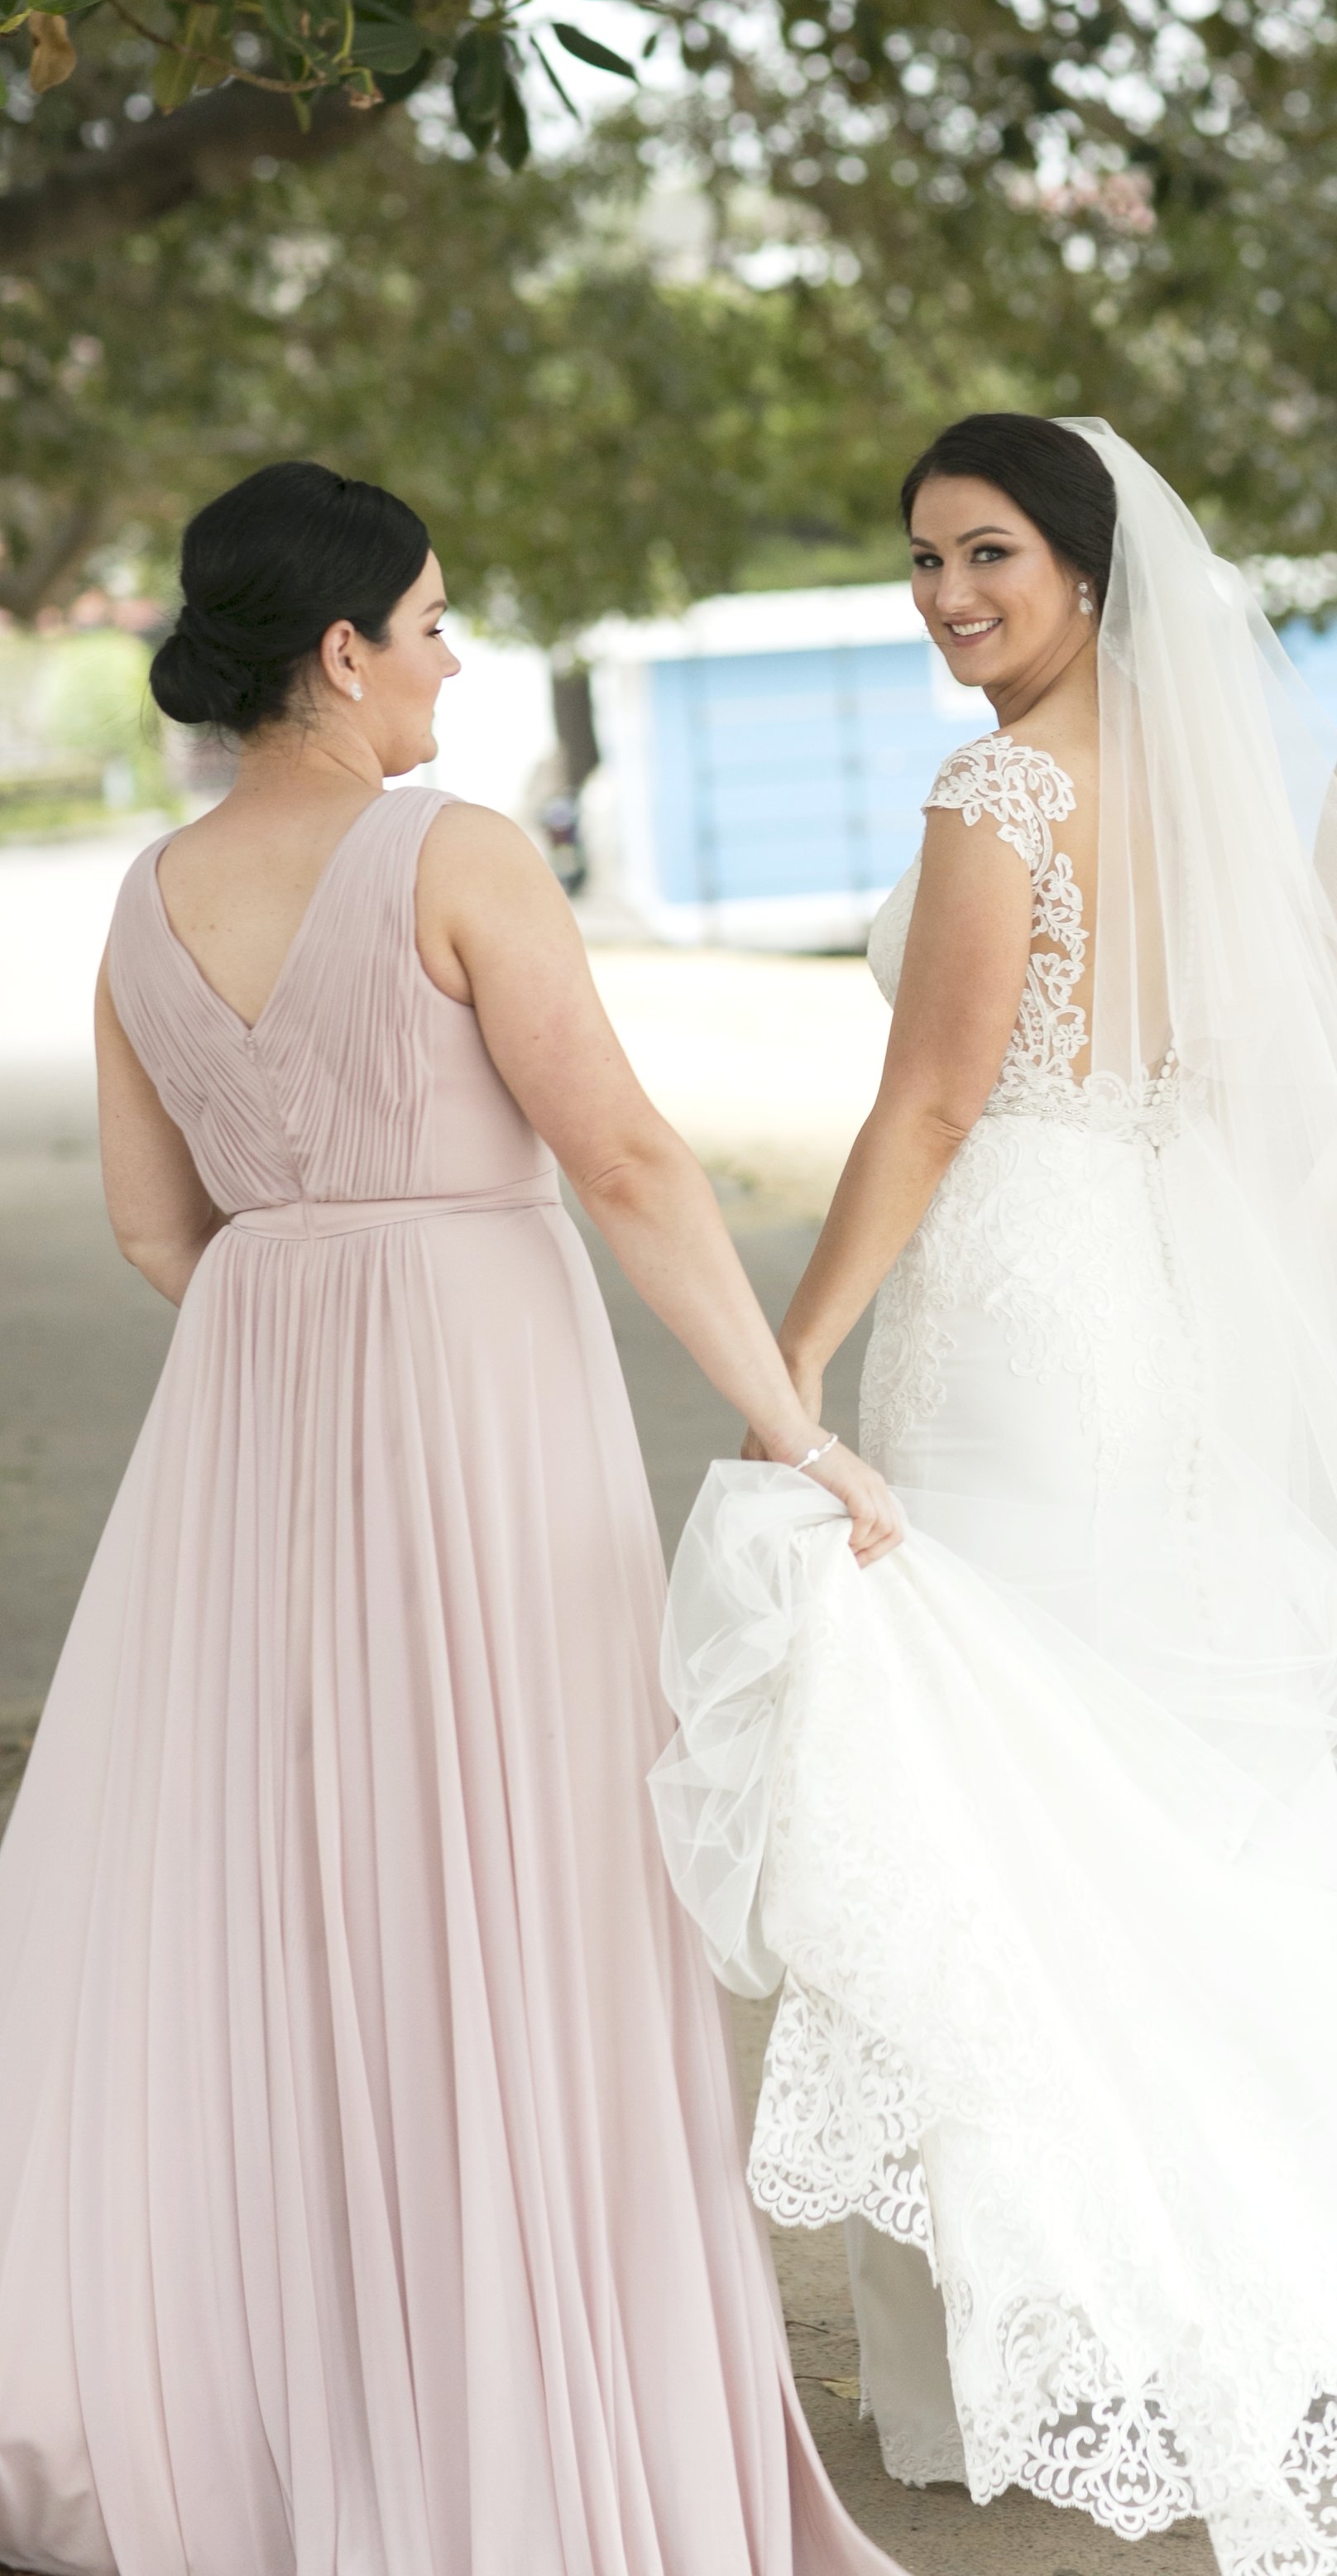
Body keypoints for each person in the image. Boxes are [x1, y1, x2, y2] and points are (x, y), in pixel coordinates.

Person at [651, 415, 1337, 2576]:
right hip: (1157, 1319)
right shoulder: (1209, 794)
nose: (945, 599)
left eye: (986, 552)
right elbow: (1274, 1087)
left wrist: (789, 1355)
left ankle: (1065, 2348)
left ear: (1092, 568)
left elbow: (929, 1099)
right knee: (1180, 1799)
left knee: (1009, 1808)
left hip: (1026, 1321)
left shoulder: (997, 792)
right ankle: (1260, 2318)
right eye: (918, 559)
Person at [0, 462, 903, 2576]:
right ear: (340, 653)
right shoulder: (453, 853)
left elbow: (160, 1229)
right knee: (514, 1869)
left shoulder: (144, 894)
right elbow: (629, 1162)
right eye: (427, 622)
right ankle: (513, 2401)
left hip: (252, 1426)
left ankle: (277, 2389)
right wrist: (793, 1427)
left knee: (280, 1889)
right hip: (480, 1412)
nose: (453, 654)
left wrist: (311, 1304)